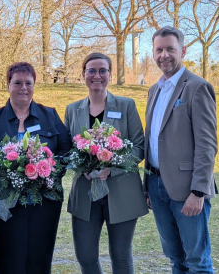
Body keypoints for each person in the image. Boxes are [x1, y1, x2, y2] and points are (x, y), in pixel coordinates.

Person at [0, 62, 71, 274]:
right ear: (8, 84)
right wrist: (4, 174)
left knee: (40, 257)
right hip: (4, 202)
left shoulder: (50, 116)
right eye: (17, 82)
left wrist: (49, 171)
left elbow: (66, 149)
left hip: (45, 201)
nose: (23, 88)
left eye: (28, 83)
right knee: (9, 259)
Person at [65, 53, 148, 274]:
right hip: (85, 193)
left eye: (103, 70)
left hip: (122, 190)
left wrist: (113, 168)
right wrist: (80, 166)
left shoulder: (126, 105)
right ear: (83, 74)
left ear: (110, 74)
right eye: (91, 70)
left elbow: (140, 147)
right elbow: (66, 150)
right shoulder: (72, 110)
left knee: (120, 256)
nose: (97, 75)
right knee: (85, 256)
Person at [144, 26, 218, 273]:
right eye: (159, 50)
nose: (164, 55)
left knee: (197, 261)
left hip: (187, 189)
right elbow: (153, 139)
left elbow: (207, 145)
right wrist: (147, 186)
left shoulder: (197, 87)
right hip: (156, 185)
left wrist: (198, 192)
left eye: (170, 49)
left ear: (183, 50)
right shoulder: (154, 90)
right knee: (176, 258)